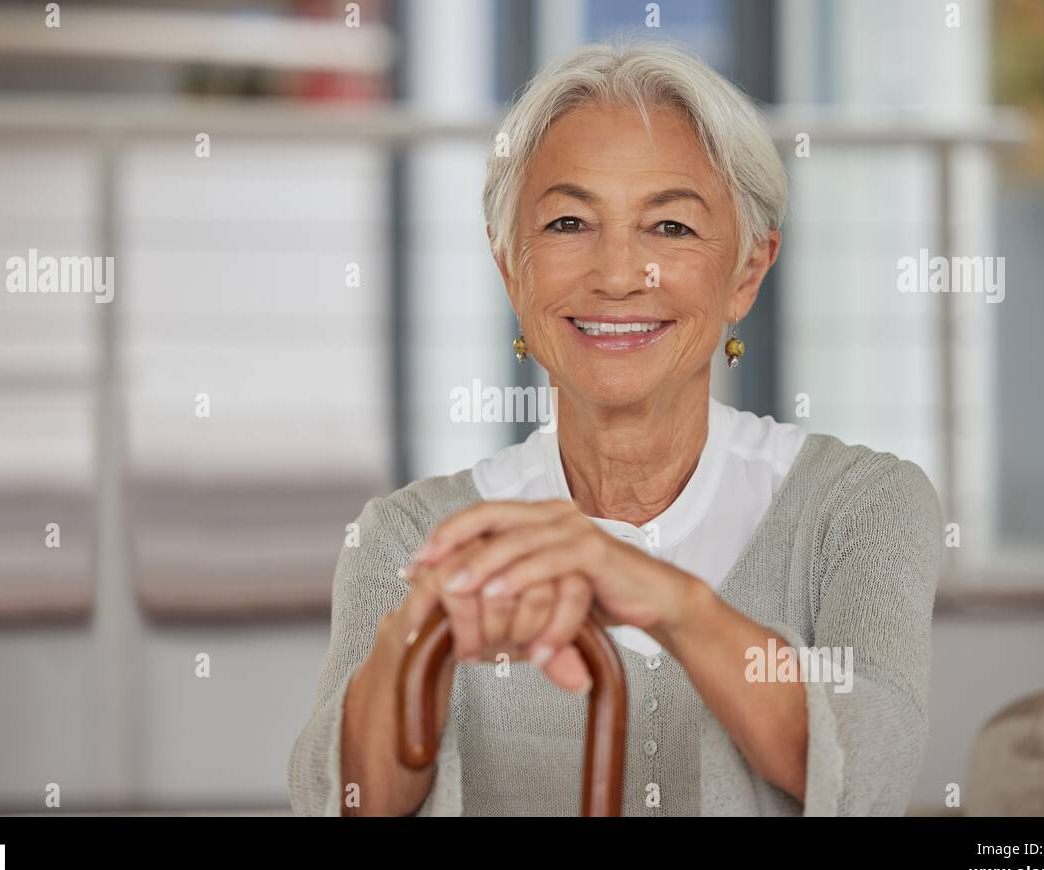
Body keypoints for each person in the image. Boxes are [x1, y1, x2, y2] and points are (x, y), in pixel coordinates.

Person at [288, 39, 943, 816]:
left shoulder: (863, 505)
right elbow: (345, 802)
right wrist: (418, 645)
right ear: (510, 266)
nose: (619, 273)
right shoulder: (407, 537)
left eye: (670, 227)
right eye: (569, 222)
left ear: (747, 271)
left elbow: (874, 770)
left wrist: (664, 598)